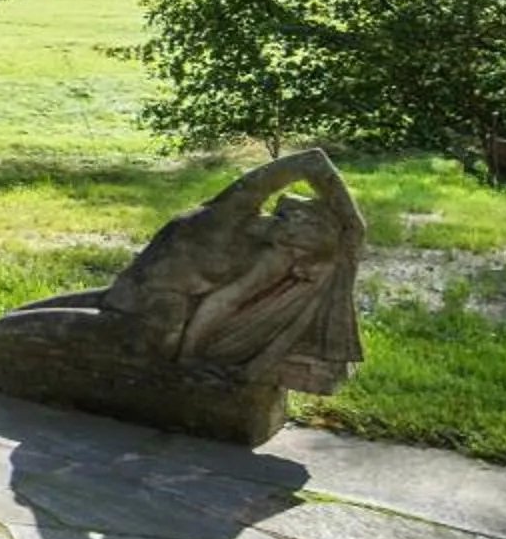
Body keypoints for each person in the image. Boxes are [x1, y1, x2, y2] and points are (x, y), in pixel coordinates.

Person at [100, 148, 365, 392]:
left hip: (151, 296)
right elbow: (310, 160)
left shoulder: (269, 258)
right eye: (299, 248)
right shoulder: (234, 208)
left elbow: (224, 301)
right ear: (292, 226)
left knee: (168, 333)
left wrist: (191, 354)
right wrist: (354, 222)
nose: (295, 259)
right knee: (157, 341)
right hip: (145, 300)